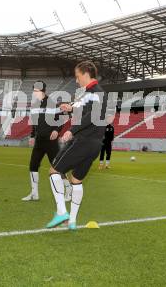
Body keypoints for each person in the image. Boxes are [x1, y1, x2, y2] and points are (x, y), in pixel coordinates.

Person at [46, 60, 107, 230]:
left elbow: (90, 117)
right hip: (95, 144)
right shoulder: (90, 92)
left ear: (86, 74)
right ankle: (71, 221)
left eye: (78, 76)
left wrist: (72, 130)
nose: (77, 80)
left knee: (54, 171)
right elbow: (85, 110)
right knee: (76, 180)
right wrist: (71, 107)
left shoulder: (95, 92)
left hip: (83, 140)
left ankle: (61, 212)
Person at [22, 81, 72, 202]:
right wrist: (32, 136)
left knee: (57, 168)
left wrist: (56, 130)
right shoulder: (34, 106)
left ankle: (69, 189)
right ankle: (34, 194)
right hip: (39, 141)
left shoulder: (52, 103)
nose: (34, 93)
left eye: (36, 91)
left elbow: (61, 118)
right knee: (33, 166)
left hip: (51, 141)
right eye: (33, 90)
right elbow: (34, 123)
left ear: (42, 91)